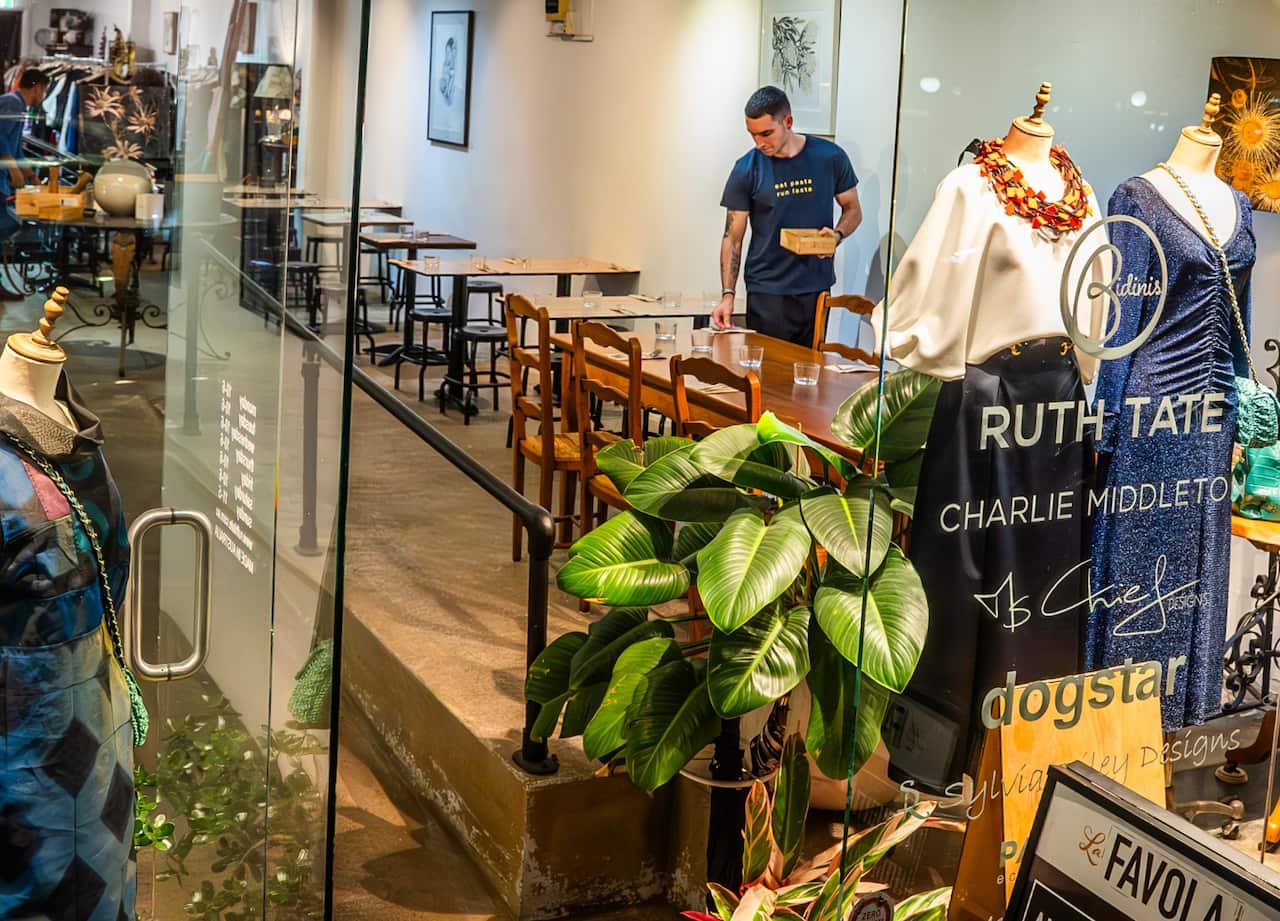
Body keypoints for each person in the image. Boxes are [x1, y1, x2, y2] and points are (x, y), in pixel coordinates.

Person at [712, 85, 861, 345]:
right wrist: (728, 295)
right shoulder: (746, 168)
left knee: (810, 374)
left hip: (815, 288)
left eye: (766, 133)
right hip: (767, 288)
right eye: (753, 134)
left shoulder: (830, 157)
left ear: (788, 121)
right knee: (768, 376)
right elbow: (732, 238)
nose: (759, 143)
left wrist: (836, 236)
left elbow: (853, 209)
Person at [0, 69, 48, 202]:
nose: (43, 96)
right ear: (38, 88)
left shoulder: (19, 105)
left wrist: (32, 177)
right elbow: (1, 137)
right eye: (44, 91)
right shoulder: (12, 102)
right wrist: (13, 169)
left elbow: (15, 150)